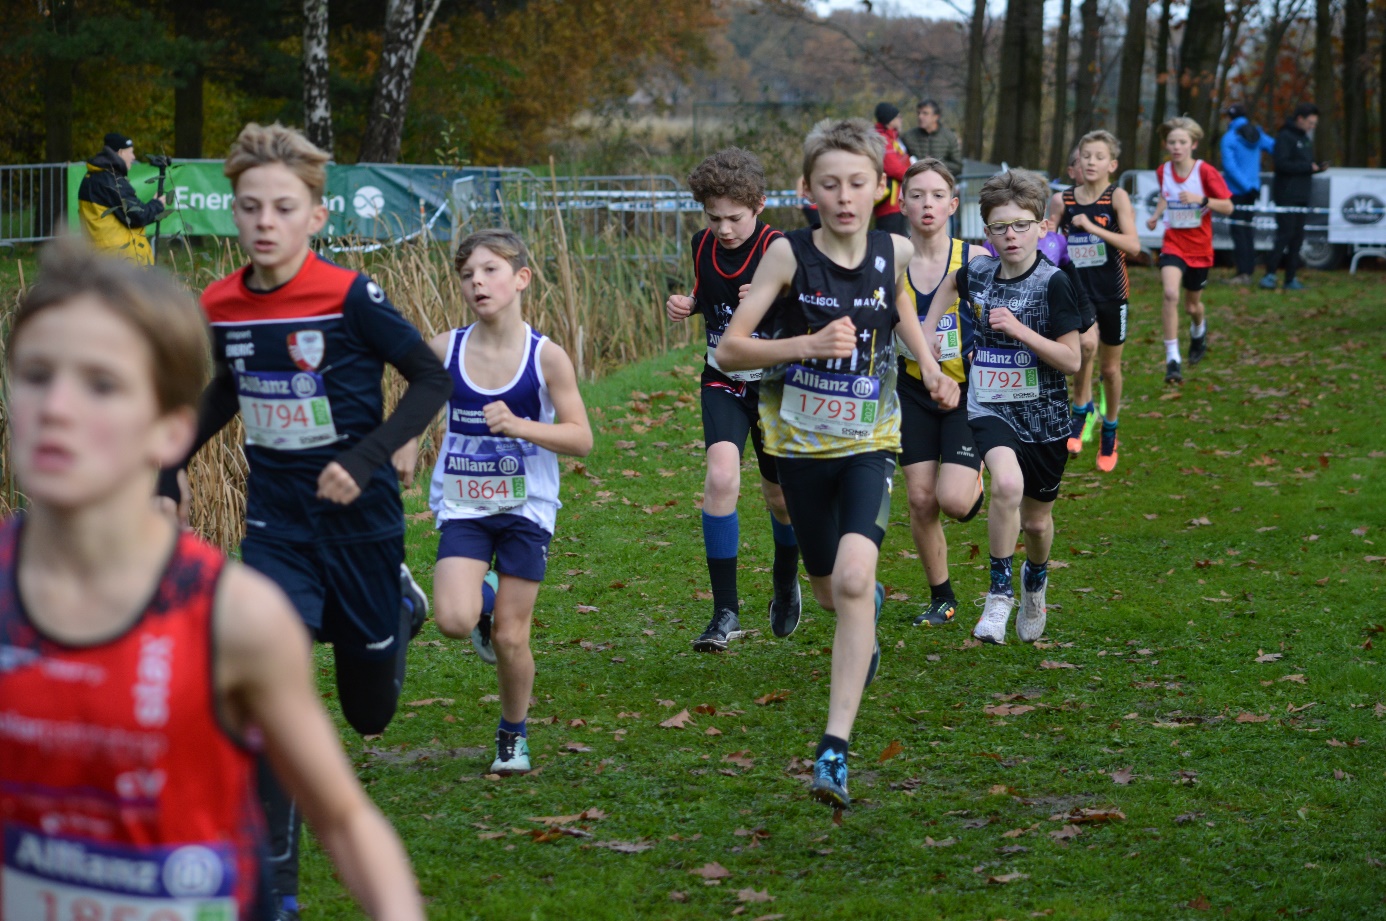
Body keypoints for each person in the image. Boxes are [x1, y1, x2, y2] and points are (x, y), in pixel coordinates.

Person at [0, 238, 424, 921]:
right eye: (35, 374)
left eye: (101, 384)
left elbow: (343, 818)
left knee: (369, 709)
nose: (57, 407)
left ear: (172, 430)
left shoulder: (237, 616)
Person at [158, 122, 452, 919]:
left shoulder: (350, 296)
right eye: (249, 206)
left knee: (369, 714)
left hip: (361, 523)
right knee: (261, 685)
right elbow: (226, 389)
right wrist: (169, 464)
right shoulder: (219, 303)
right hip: (278, 526)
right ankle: (276, 891)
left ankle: (399, 601)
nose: (263, 222)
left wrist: (368, 456)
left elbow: (430, 379)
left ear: (315, 217)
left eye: (282, 207)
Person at [716, 118, 959, 808]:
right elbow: (731, 350)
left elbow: (903, 312)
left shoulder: (897, 249)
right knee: (834, 591)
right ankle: (864, 613)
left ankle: (834, 748)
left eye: (858, 182)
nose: (845, 196)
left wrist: (933, 369)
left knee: (854, 577)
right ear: (807, 189)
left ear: (879, 186)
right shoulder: (788, 257)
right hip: (798, 446)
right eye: (831, 184)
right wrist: (806, 345)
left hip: (869, 443)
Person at [428, 229, 593, 776]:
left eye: (491, 270)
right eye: (469, 274)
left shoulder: (546, 357)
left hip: (526, 506)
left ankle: (512, 735)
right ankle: (484, 595)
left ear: (521, 278)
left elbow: (581, 438)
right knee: (452, 618)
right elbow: (412, 409)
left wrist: (520, 425)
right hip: (465, 505)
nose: (478, 281)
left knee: (509, 636)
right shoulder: (444, 349)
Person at [929, 169, 1083, 647]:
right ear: (986, 233)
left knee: (1037, 523)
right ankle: (998, 596)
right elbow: (950, 287)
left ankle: (1034, 581)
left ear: (1041, 227)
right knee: (1006, 484)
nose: (1010, 235)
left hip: (1047, 417)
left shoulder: (1055, 283)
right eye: (1000, 227)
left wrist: (1021, 331)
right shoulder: (977, 271)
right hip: (990, 406)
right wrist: (932, 330)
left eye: (1021, 225)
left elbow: (1072, 361)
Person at [664, 148, 803, 650]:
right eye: (713, 217)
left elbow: (807, 316)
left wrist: (773, 301)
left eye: (734, 218)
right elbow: (709, 293)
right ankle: (724, 613)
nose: (723, 229)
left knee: (780, 499)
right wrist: (690, 302)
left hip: (773, 386)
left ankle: (785, 582)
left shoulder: (780, 248)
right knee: (721, 477)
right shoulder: (703, 243)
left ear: (760, 205)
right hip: (722, 377)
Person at [896, 158, 988, 628]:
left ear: (953, 204)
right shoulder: (891, 260)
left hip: (966, 393)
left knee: (953, 502)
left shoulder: (973, 259)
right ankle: (943, 598)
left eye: (936, 196)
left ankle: (982, 468)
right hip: (911, 389)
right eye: (917, 195)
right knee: (920, 500)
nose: (926, 204)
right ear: (902, 202)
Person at [1050, 130, 1141, 473]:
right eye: (1086, 155)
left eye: (1099, 157)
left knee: (1109, 368)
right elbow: (1049, 239)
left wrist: (1091, 226)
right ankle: (1080, 412)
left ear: (1112, 165)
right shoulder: (1063, 200)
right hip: (1076, 291)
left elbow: (1133, 246)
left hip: (1111, 292)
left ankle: (1110, 429)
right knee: (1083, 349)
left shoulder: (1116, 198)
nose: (1091, 162)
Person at [1146, 116, 1234, 385]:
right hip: (1173, 242)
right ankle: (1173, 358)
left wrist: (1202, 199)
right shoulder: (1164, 171)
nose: (1176, 147)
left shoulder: (1205, 172)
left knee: (1192, 305)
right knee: (1170, 293)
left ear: (1193, 144)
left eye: (1182, 142)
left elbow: (1229, 207)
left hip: (1200, 247)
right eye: (1172, 142)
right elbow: (1165, 194)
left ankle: (1199, 329)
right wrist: (1156, 214)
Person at [1262, 103, 1326, 291]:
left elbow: (1302, 165)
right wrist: (1307, 167)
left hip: (1302, 195)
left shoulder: (1305, 139)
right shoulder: (1284, 137)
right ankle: (1270, 274)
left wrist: (1315, 168)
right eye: (1310, 123)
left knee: (1297, 237)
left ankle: (1291, 278)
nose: (1312, 127)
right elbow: (1281, 164)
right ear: (1300, 119)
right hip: (1286, 195)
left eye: (1315, 124)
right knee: (1285, 235)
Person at [76, 131, 167, 266]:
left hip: (99, 257)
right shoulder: (112, 181)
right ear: (120, 153)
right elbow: (137, 216)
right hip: (122, 262)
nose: (133, 157)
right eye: (130, 152)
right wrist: (158, 205)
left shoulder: (91, 177)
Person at [1219, 104, 1275, 285]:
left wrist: (1244, 185)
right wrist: (1251, 186)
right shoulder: (1257, 134)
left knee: (1238, 230)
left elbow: (1230, 166)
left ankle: (1243, 273)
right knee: (1247, 230)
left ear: (1229, 118)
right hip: (1253, 190)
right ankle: (1248, 270)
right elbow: (1274, 147)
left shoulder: (1229, 138)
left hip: (1236, 191)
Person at [871, 103, 912, 237]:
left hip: (896, 200)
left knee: (898, 239)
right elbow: (893, 168)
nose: (900, 119)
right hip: (889, 202)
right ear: (890, 120)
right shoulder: (882, 139)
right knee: (891, 241)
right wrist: (914, 177)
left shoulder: (891, 137)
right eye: (898, 117)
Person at [899, 100, 964, 180]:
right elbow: (899, 162)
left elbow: (958, 166)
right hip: (916, 183)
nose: (920, 116)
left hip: (940, 183)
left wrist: (935, 164)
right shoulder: (908, 136)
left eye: (925, 113)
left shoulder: (949, 137)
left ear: (936, 116)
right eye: (918, 113)